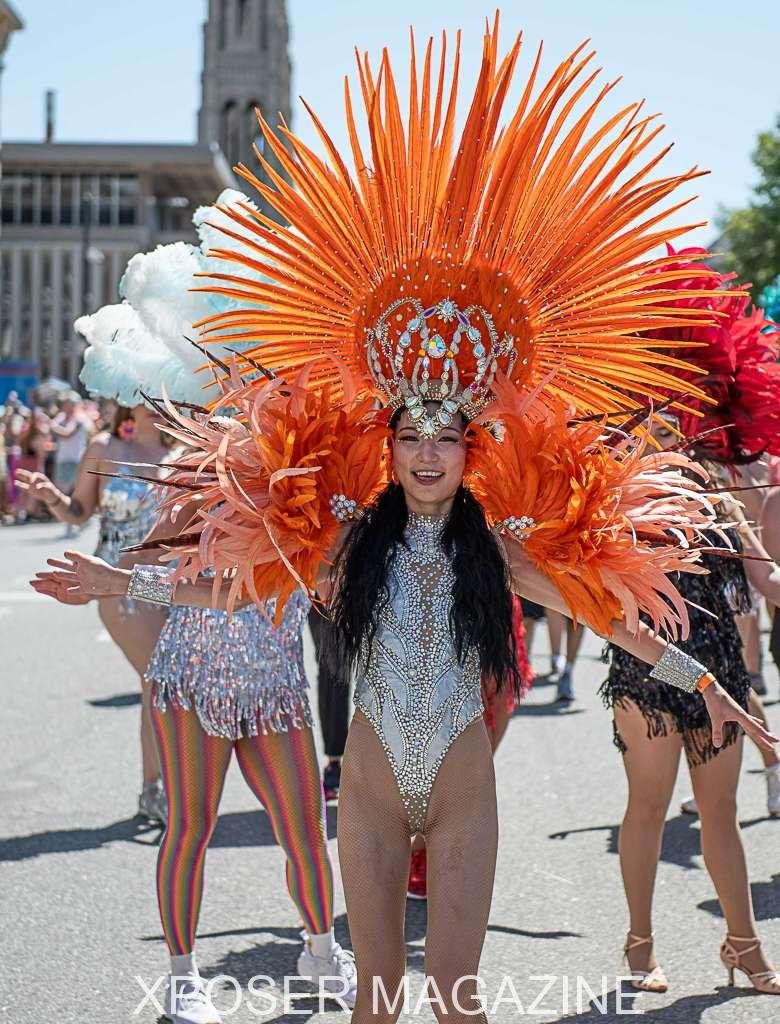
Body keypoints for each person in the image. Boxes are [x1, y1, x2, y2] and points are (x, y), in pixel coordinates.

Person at [31, 22, 778, 1022]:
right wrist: (121, 580)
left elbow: (616, 624)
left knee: (458, 1003)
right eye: (411, 436)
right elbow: (231, 589)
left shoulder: (500, 551)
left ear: (472, 449)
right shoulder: (347, 542)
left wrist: (712, 689)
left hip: (465, 792)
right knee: (375, 1006)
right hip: (375, 791)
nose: (428, 453)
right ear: (386, 446)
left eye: (446, 437)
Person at [17, 401, 171, 821]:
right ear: (127, 401)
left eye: (163, 397)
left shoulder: (182, 452)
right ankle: (156, 787)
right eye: (144, 398)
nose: (154, 407)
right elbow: (78, 511)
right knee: (159, 677)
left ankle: (168, 784)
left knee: (165, 684)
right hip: (115, 584)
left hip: (171, 585)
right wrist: (51, 496)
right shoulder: (104, 448)